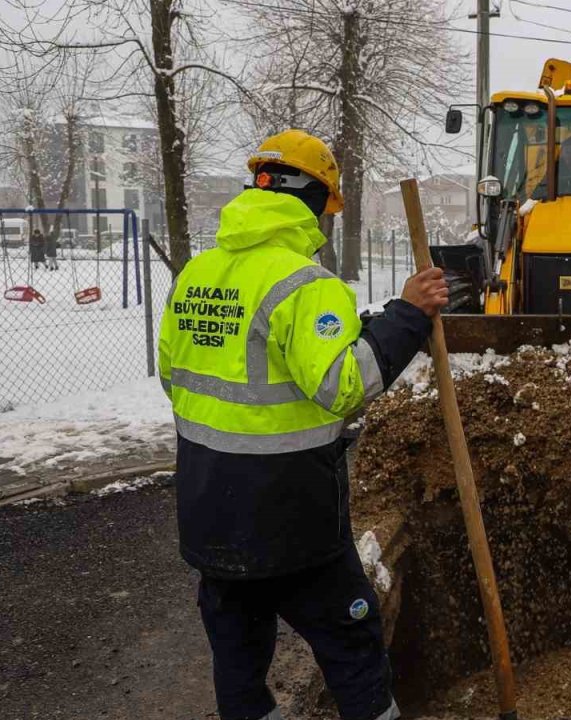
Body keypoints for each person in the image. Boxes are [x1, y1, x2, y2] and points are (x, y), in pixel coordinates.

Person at [157, 129, 448, 720]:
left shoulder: (195, 275)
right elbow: (343, 387)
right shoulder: (307, 284)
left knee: (238, 665)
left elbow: (175, 374)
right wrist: (407, 317)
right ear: (317, 202)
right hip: (291, 522)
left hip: (209, 513)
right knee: (352, 649)